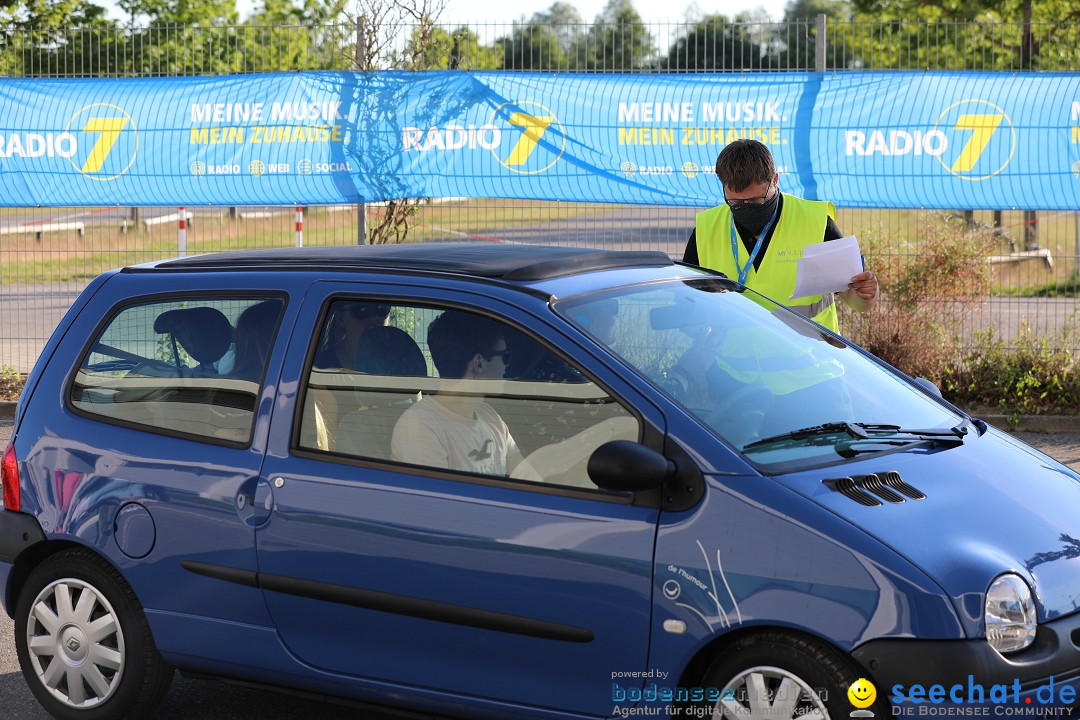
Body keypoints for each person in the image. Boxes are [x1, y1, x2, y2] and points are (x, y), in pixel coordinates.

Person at [685, 139, 877, 334]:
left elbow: (855, 301)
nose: (746, 207)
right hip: (731, 362)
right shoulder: (705, 229)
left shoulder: (816, 222)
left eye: (755, 199)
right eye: (735, 201)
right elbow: (689, 303)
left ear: (774, 180)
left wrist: (866, 295)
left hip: (809, 362)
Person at [391, 311, 529, 476]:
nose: (507, 366)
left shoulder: (490, 416)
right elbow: (437, 500)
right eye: (505, 357)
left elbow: (529, 478)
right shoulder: (421, 425)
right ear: (479, 363)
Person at [313, 301, 391, 369]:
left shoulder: (398, 364)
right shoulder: (320, 368)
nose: (374, 318)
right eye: (362, 310)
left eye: (382, 308)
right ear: (341, 319)